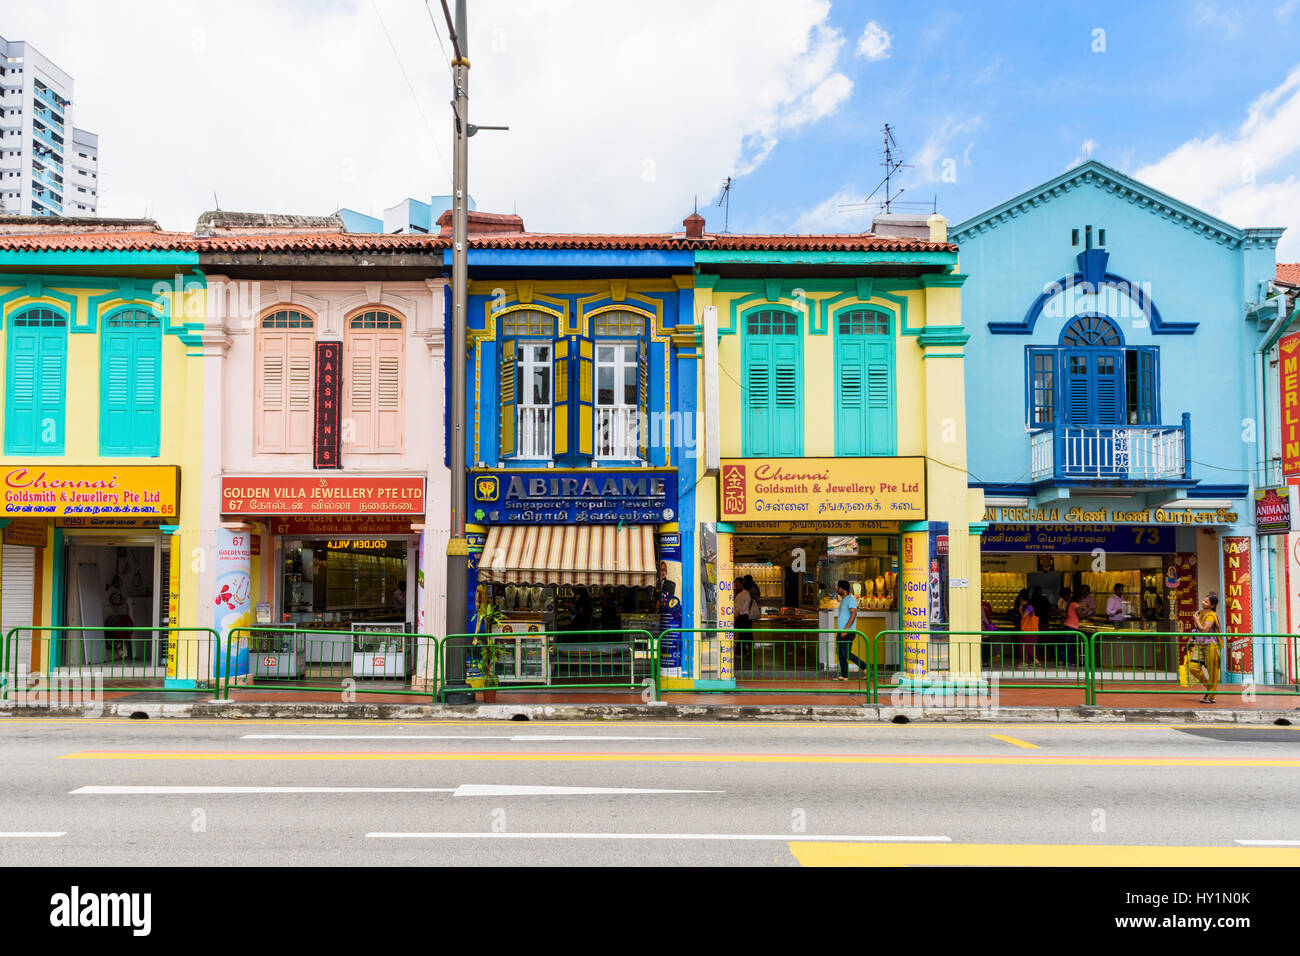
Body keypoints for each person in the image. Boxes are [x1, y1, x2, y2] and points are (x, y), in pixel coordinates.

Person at [1185, 595, 1222, 704]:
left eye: (1206, 602)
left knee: (1213, 671)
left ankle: (1210, 696)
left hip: (1211, 645)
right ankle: (1210, 688)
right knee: (1192, 667)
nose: (1203, 602)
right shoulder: (1200, 613)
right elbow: (1197, 628)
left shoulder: (1211, 615)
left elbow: (1205, 630)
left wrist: (1196, 619)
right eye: (1203, 600)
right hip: (1199, 644)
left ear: (1212, 605)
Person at [834, 579, 867, 682]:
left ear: (842, 589)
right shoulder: (844, 600)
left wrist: (846, 629)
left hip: (848, 632)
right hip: (841, 631)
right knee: (840, 653)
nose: (836, 589)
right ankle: (844, 676)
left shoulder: (850, 599)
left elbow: (854, 614)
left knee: (846, 653)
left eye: (838, 587)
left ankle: (865, 667)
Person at [733, 577, 752, 666]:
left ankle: (740, 653)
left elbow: (744, 606)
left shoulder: (745, 594)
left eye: (737, 584)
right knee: (742, 634)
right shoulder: (738, 594)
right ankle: (742, 652)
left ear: (741, 584)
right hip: (739, 616)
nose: (736, 586)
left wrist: (738, 613)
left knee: (742, 635)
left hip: (743, 617)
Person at [1061, 588, 1083, 666]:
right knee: (1069, 645)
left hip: (1067, 625)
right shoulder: (1075, 604)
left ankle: (1063, 660)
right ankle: (1067, 662)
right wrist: (1086, 612)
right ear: (1078, 598)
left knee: (1067, 644)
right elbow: (1081, 615)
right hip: (1072, 627)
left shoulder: (1070, 603)